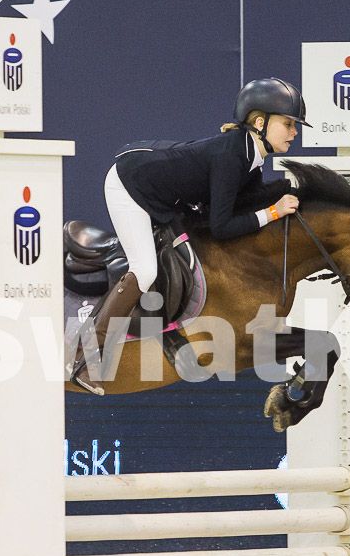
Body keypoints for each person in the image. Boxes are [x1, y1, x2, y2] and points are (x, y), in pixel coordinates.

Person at [70, 77, 310, 395]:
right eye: (288, 124)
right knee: (145, 270)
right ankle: (86, 359)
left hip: (163, 196)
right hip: (130, 184)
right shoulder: (232, 155)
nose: (294, 132)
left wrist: (291, 194)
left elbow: (243, 205)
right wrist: (274, 213)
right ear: (259, 122)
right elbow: (222, 226)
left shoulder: (251, 158)